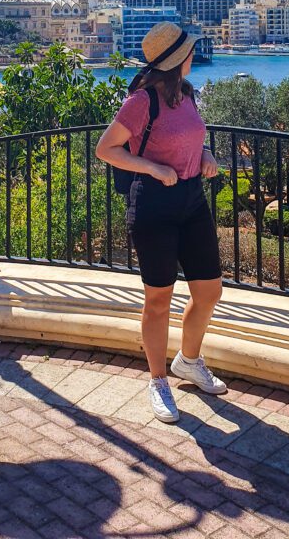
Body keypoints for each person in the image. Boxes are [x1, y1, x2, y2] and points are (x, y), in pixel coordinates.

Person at [95, 22, 226, 423]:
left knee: (209, 292)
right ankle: (157, 380)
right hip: (153, 204)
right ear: (178, 60)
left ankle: (188, 361)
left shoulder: (186, 95)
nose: (194, 55)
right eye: (190, 51)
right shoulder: (140, 102)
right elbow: (107, 149)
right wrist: (151, 168)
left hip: (191, 200)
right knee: (158, 300)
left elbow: (190, 137)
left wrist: (204, 156)